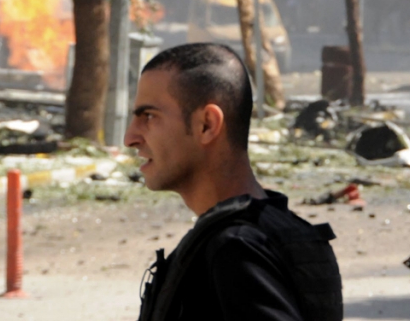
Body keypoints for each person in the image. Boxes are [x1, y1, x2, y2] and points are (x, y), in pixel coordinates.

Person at [125, 43, 343, 321]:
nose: (130, 137)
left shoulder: (237, 251)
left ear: (207, 125)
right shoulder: (265, 236)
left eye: (149, 117)